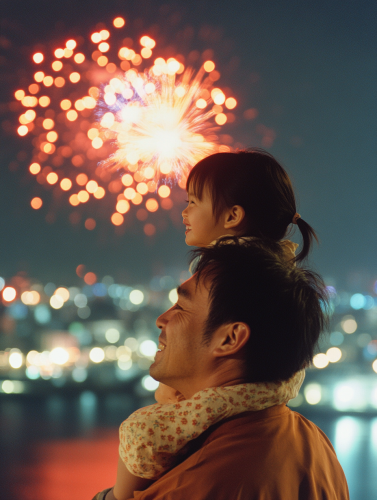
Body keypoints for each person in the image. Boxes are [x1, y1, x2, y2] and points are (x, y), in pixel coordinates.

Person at [94, 238, 349, 499]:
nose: (162, 320)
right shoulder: (318, 449)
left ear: (230, 339)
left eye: (181, 307)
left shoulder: (196, 483)